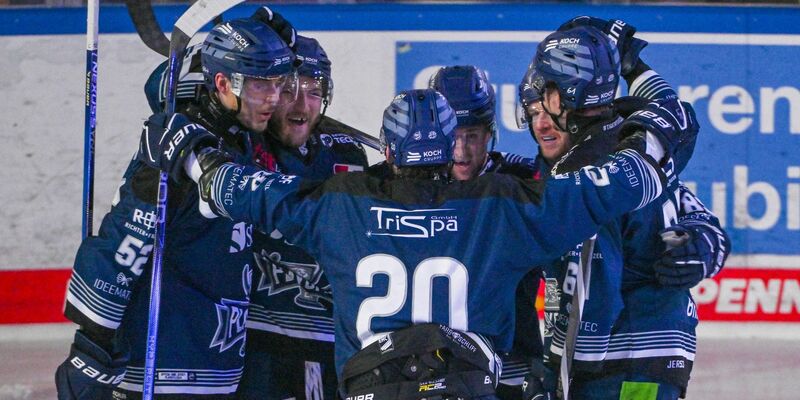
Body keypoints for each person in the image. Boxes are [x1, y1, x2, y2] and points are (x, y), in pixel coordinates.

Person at [137, 84, 689, 399]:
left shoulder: (338, 204)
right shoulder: (503, 207)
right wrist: (657, 137)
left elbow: (245, 191)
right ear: (449, 146)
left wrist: (192, 152)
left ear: (389, 149)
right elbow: (609, 189)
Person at [56, 17, 297, 399]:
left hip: (218, 361)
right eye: (260, 84)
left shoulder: (241, 136)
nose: (274, 98)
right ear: (222, 84)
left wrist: (263, 38)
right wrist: (95, 337)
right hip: (167, 366)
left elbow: (167, 83)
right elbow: (127, 238)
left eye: (278, 83)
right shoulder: (177, 149)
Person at [516, 19, 729, 400]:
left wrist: (557, 370)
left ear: (561, 96)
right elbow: (671, 114)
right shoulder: (639, 147)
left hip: (617, 363)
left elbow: (593, 294)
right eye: (531, 114)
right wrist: (633, 66)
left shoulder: (587, 172)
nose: (542, 123)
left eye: (544, 104)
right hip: (660, 357)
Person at [237, 35, 369, 400]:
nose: (302, 104)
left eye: (313, 91)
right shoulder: (242, 146)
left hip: (329, 343)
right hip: (254, 342)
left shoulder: (349, 157)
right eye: (289, 89)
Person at [429, 64, 543, 399]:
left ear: (490, 132)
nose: (462, 152)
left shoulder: (523, 180)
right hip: (432, 363)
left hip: (512, 361)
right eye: (453, 137)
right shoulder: (410, 182)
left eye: (473, 136)